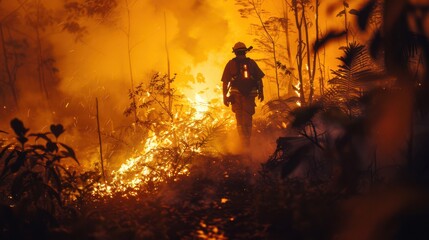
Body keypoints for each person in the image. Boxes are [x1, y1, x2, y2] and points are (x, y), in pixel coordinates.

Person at [221, 42, 265, 149]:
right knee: (247, 118)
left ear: (235, 52)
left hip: (236, 96)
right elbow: (259, 78)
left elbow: (225, 82)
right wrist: (261, 92)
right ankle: (247, 143)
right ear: (245, 51)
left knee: (239, 119)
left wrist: (224, 97)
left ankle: (243, 142)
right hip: (250, 95)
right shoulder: (251, 63)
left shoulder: (230, 64)